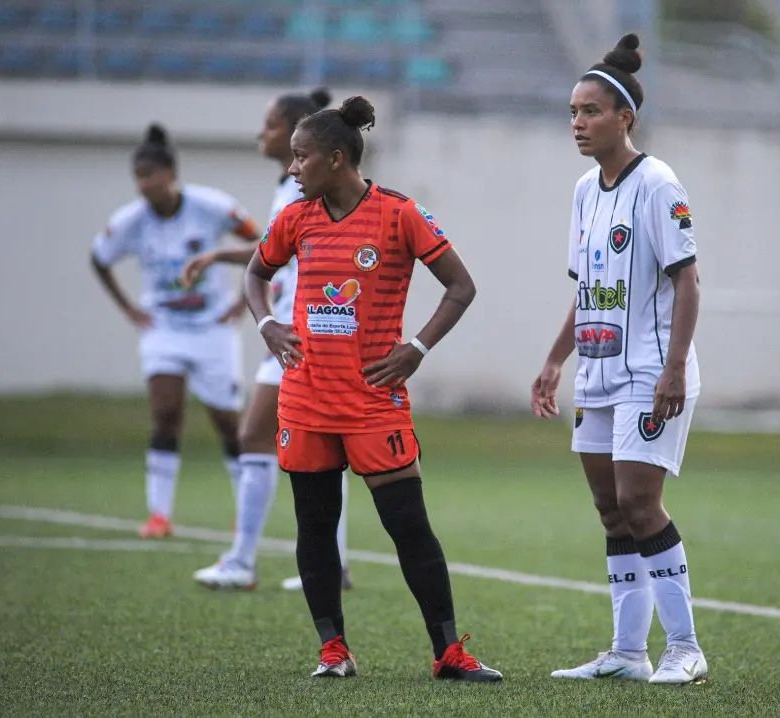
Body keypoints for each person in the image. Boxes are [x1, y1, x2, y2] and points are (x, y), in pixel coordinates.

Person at [245, 96, 501, 681]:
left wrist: (417, 348)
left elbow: (460, 286)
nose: (292, 169)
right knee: (315, 528)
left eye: (301, 157)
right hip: (306, 399)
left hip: (371, 402)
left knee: (409, 526)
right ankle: (333, 651)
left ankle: (448, 653)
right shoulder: (296, 217)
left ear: (336, 159)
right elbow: (256, 274)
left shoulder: (398, 214)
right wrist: (267, 324)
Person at [530, 33, 707, 685]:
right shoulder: (585, 190)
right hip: (598, 372)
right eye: (572, 112)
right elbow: (588, 288)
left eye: (590, 111)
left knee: (640, 502)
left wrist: (675, 369)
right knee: (611, 512)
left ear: (624, 117)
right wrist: (555, 361)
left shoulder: (658, 185)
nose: (577, 123)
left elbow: (688, 281)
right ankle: (628, 653)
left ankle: (685, 648)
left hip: (649, 372)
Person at [184, 89, 353, 592]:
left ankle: (243, 561)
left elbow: (282, 253)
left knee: (257, 436)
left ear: (297, 129)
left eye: (270, 125)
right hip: (292, 330)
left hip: (299, 335)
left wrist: (279, 317)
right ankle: (328, 562)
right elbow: (273, 251)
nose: (262, 134)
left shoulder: (301, 191)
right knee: (315, 444)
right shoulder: (291, 187)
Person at [91, 124, 261, 539]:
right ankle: (159, 515)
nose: (143, 185)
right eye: (138, 177)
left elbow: (263, 245)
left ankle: (245, 512)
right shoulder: (129, 221)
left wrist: (244, 301)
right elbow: (99, 258)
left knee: (227, 421)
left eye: (149, 175)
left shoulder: (212, 207)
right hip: (163, 327)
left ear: (170, 174)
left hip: (212, 328)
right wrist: (129, 308)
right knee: (165, 412)